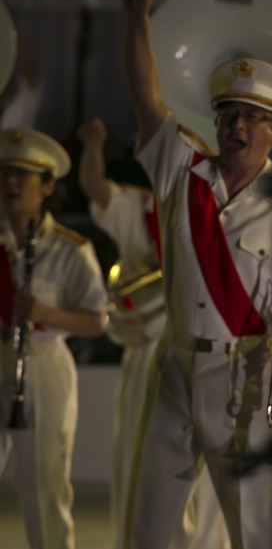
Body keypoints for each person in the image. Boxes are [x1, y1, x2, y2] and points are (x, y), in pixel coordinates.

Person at [120, 0, 272, 549]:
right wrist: (138, 18)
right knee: (148, 525)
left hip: (245, 374)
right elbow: (146, 95)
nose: (236, 126)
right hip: (174, 365)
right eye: (227, 114)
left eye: (252, 117)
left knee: (252, 526)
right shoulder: (182, 167)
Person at [77, 118, 230, 549]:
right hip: (149, 349)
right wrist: (94, 144)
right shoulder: (143, 204)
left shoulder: (227, 202)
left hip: (213, 352)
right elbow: (94, 186)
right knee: (140, 460)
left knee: (211, 484)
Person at [0, 127, 107, 549]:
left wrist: (46, 314)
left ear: (47, 187)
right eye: (5, 173)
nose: (10, 183)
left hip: (43, 362)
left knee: (44, 486)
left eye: (22, 176)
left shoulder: (70, 249)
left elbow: (97, 320)